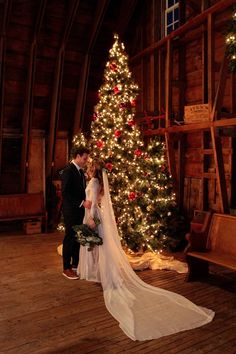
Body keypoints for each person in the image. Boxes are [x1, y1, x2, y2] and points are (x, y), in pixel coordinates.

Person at [77, 161, 215, 341]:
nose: (88, 169)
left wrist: (90, 217)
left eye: (90, 167)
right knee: (99, 247)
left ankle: (106, 274)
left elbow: (94, 203)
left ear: (93, 170)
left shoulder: (94, 183)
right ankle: (100, 272)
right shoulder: (95, 182)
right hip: (93, 214)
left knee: (100, 247)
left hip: (94, 216)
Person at [61, 146, 91, 280]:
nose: (86, 161)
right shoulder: (68, 170)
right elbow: (65, 193)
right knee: (69, 238)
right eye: (84, 158)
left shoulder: (80, 171)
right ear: (77, 156)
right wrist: (81, 202)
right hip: (71, 210)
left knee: (77, 237)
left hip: (79, 210)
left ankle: (75, 265)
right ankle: (66, 268)